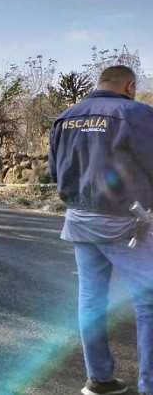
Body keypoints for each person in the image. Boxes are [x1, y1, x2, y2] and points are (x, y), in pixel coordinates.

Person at [49, 65, 153, 395]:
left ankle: (99, 379)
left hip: (80, 221)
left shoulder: (65, 118)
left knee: (92, 300)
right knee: (148, 302)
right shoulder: (136, 115)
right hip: (127, 224)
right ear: (130, 86)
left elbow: (55, 171)